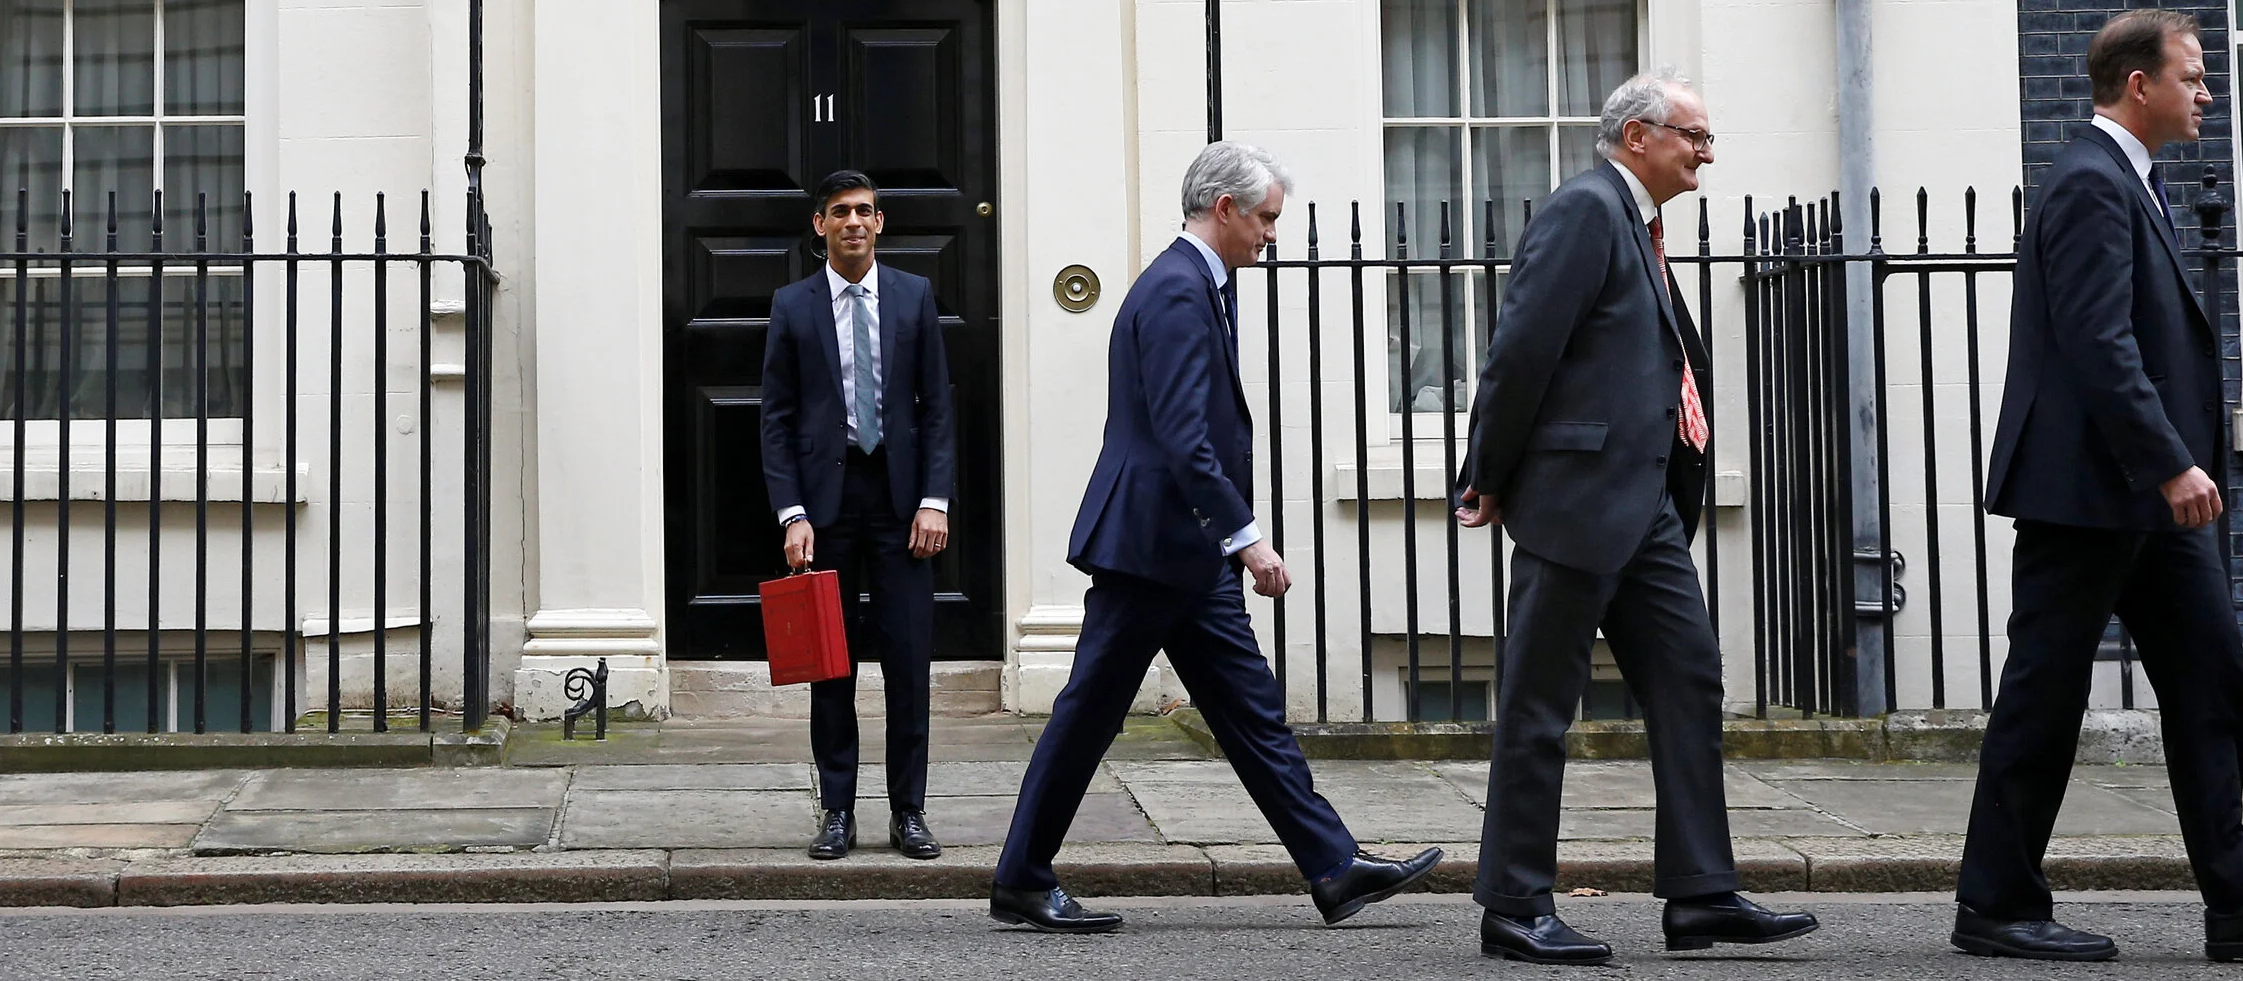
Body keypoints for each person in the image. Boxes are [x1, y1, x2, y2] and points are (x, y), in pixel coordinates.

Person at [1952, 11, 2243, 963]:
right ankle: (1995, 903)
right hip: (2092, 493)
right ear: (2138, 84)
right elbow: (2101, 344)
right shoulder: (2091, 185)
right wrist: (2172, 460)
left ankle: (2236, 903)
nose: (2206, 93)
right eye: (2191, 76)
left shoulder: (2129, 184)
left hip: (2142, 496)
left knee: (2210, 680)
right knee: (2045, 696)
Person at [990, 141, 1443, 933]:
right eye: (1265, 217)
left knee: (1250, 711)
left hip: (1182, 551)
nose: (1272, 233)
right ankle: (1023, 876)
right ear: (1224, 209)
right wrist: (1247, 538)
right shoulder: (1175, 290)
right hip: (1152, 546)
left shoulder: (1200, 284)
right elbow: (1181, 435)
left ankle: (1334, 867)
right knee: (1089, 713)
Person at [1456, 72, 1817, 965]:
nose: (1705, 152)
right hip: (1576, 501)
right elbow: (1519, 353)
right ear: (1638, 136)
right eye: (1692, 135)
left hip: (1645, 504)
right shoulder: (1585, 212)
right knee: (1540, 708)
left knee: (1691, 679)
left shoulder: (1636, 225)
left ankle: (1699, 895)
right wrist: (1488, 474)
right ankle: (1514, 905)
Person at [760, 170, 957, 863]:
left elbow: (936, 407)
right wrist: (792, 515)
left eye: (864, 212)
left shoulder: (912, 297)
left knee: (908, 663)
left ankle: (909, 811)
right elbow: (776, 421)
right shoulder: (792, 305)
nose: (853, 222)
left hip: (903, 507)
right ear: (820, 225)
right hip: (826, 507)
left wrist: (935, 500)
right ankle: (837, 810)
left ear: (880, 223)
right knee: (830, 667)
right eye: (840, 212)